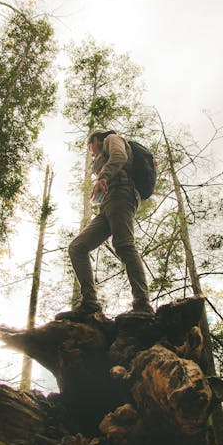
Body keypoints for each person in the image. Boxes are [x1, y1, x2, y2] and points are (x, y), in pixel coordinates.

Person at [56, 130, 154, 320]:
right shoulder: (101, 155)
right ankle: (90, 304)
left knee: (124, 245)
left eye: (90, 147)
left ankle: (143, 304)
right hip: (108, 204)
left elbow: (120, 156)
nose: (91, 152)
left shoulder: (111, 139)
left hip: (122, 193)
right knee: (77, 247)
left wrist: (103, 177)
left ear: (95, 139)